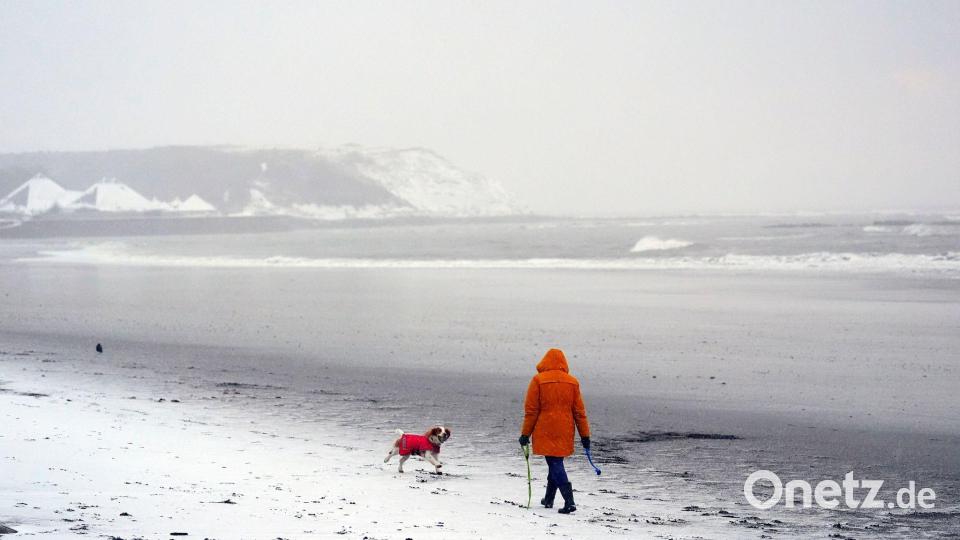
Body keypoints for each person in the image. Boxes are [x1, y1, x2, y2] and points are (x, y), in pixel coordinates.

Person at [519, 348, 591, 514]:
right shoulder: (572, 382)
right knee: (555, 461)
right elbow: (579, 413)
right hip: (565, 429)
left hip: (545, 428)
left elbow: (532, 411)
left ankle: (569, 501)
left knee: (554, 462)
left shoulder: (538, 380)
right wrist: (585, 436)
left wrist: (525, 434)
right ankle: (549, 499)